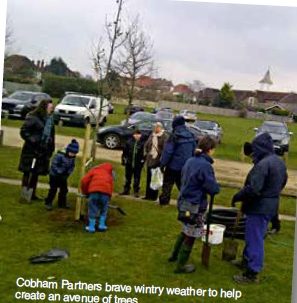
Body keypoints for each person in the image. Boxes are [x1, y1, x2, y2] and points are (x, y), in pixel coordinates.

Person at [231, 133, 287, 284]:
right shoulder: (278, 162)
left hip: (259, 207)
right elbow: (283, 181)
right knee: (254, 236)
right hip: (270, 205)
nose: (253, 152)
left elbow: (254, 189)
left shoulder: (263, 164)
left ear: (260, 147)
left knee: (254, 239)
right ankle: (246, 261)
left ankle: (252, 272)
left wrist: (238, 196)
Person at [169, 136, 220, 273]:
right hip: (195, 204)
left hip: (184, 201)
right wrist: (216, 186)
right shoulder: (205, 166)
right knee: (191, 234)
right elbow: (212, 188)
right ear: (209, 150)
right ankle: (180, 265)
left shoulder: (190, 160)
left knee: (185, 228)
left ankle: (173, 255)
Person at [18, 100, 55, 200]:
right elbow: (24, 131)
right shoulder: (33, 118)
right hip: (31, 150)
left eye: (52, 108)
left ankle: (32, 193)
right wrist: (32, 140)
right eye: (50, 108)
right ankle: (25, 194)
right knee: (28, 171)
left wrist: (51, 148)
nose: (51, 110)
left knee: (36, 172)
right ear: (44, 107)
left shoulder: (49, 120)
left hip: (43, 150)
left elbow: (52, 135)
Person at [159, 116, 196, 206]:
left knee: (167, 184)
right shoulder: (191, 135)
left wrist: (162, 164)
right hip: (186, 166)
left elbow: (168, 152)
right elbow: (194, 150)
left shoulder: (174, 136)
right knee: (183, 185)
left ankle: (164, 201)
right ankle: (186, 203)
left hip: (173, 166)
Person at [44, 139, 79, 210]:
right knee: (53, 189)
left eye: (74, 153)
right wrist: (59, 171)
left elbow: (72, 166)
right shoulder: (59, 155)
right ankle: (48, 202)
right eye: (72, 153)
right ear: (68, 150)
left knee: (64, 190)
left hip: (63, 176)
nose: (73, 155)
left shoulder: (72, 158)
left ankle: (62, 203)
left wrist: (68, 173)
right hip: (54, 175)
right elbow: (54, 165)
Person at [81, 163, 114, 233]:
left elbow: (84, 181)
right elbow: (111, 186)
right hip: (106, 193)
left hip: (94, 192)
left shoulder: (94, 170)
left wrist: (85, 192)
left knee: (92, 208)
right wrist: (109, 196)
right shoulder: (109, 175)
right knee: (104, 209)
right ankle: (101, 225)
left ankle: (91, 227)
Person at [143, 122, 168, 201]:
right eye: (154, 127)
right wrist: (147, 153)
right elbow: (147, 145)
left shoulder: (164, 136)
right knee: (149, 177)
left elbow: (165, 149)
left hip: (158, 160)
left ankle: (153, 196)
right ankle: (148, 195)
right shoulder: (152, 135)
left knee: (155, 178)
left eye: (157, 127)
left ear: (160, 128)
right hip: (150, 159)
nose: (155, 129)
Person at [120, 129, 145, 198]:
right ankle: (126, 190)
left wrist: (142, 162)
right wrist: (123, 160)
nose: (137, 136)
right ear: (133, 135)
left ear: (140, 135)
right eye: (136, 134)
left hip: (138, 164)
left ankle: (136, 191)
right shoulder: (129, 142)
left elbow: (143, 154)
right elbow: (124, 153)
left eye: (138, 134)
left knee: (137, 178)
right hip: (129, 163)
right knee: (128, 177)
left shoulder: (142, 144)